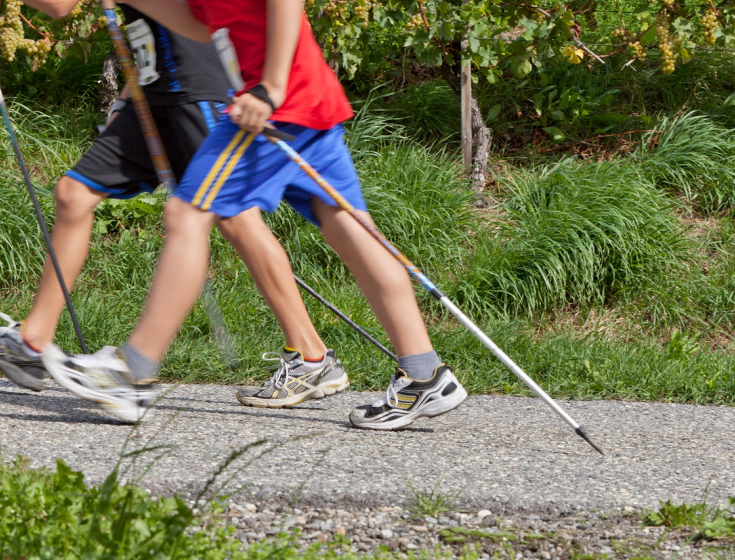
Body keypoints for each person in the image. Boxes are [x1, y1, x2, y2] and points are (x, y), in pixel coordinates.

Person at [43, 0, 468, 430]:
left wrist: (271, 86)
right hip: (309, 99)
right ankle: (424, 373)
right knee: (352, 230)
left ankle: (131, 371)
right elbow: (199, 24)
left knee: (188, 216)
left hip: (275, 108)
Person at [0, 2, 351, 419]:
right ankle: (32, 342)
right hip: (153, 92)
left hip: (199, 86)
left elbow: (58, 5)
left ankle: (310, 357)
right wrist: (127, 95)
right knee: (74, 194)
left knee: (236, 219)